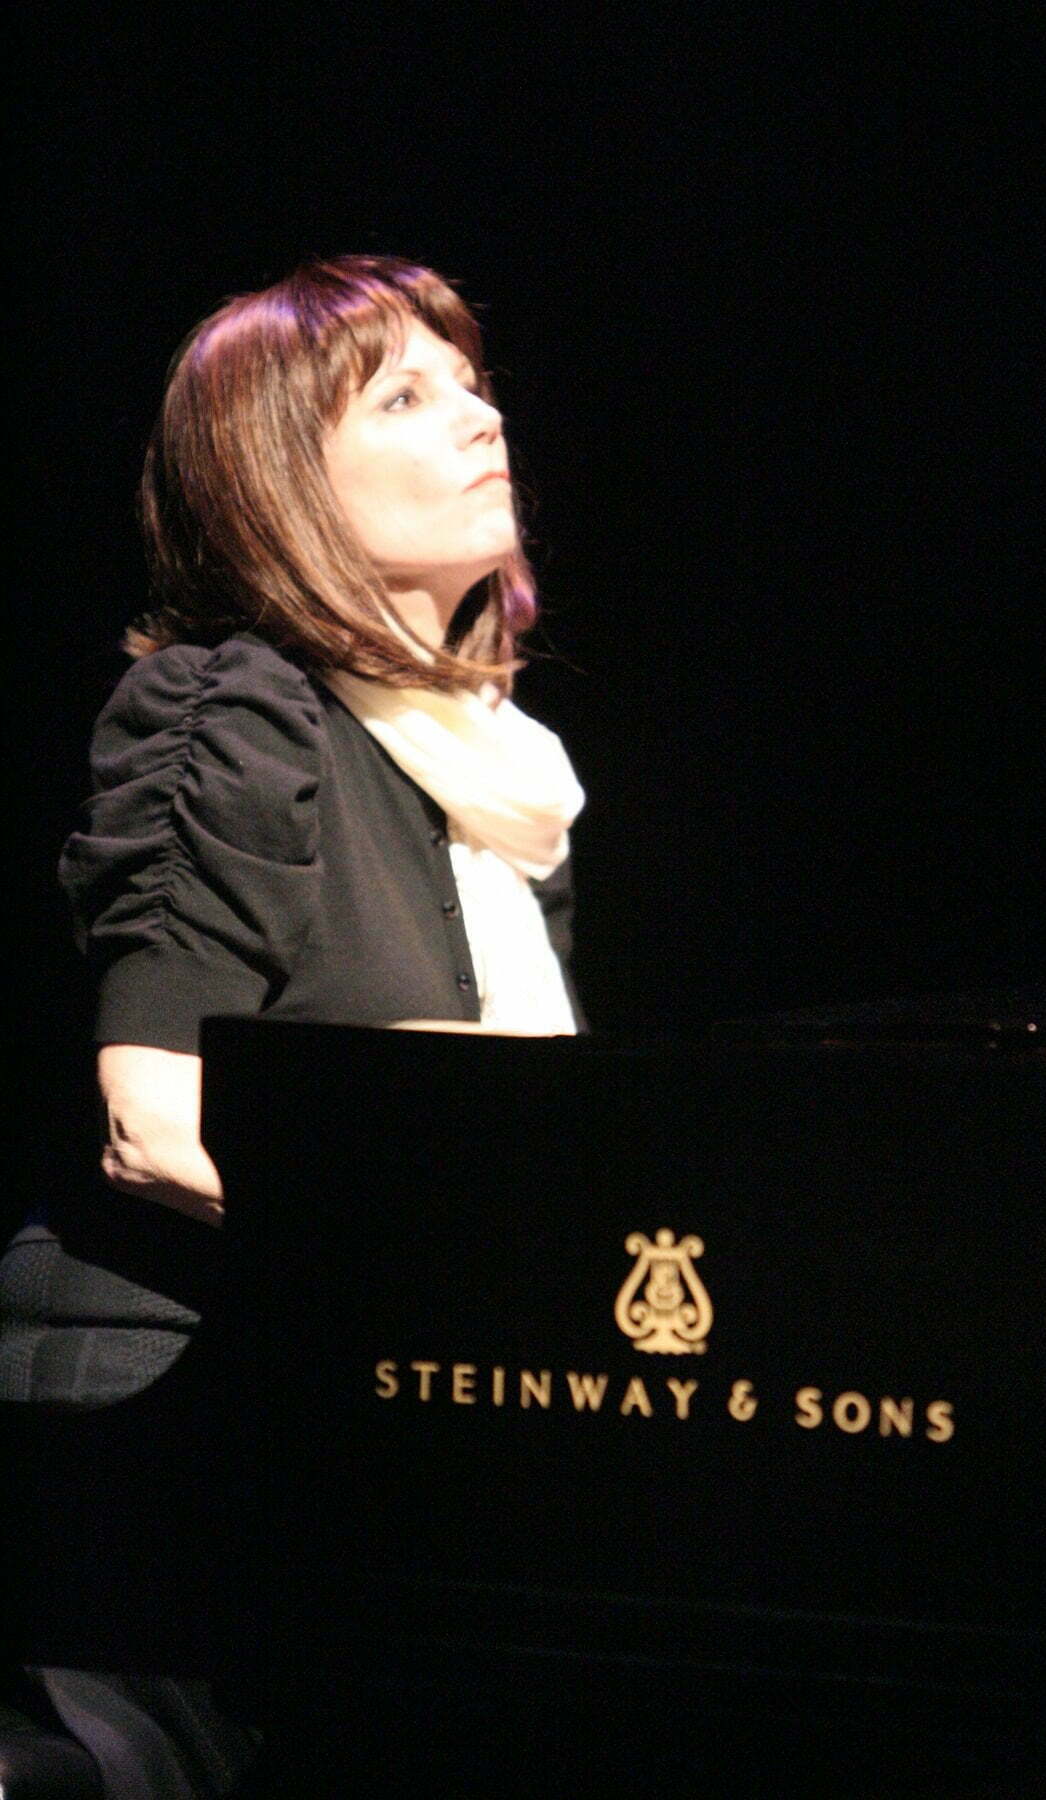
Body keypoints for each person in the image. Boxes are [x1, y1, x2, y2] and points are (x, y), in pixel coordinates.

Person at [1, 254, 585, 1796]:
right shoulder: (234, 707)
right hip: (170, 1430)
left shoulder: (504, 790)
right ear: (283, 484)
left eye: (473, 384)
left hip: (355, 1419)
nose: (481, 419)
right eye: (404, 396)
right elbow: (157, 1120)